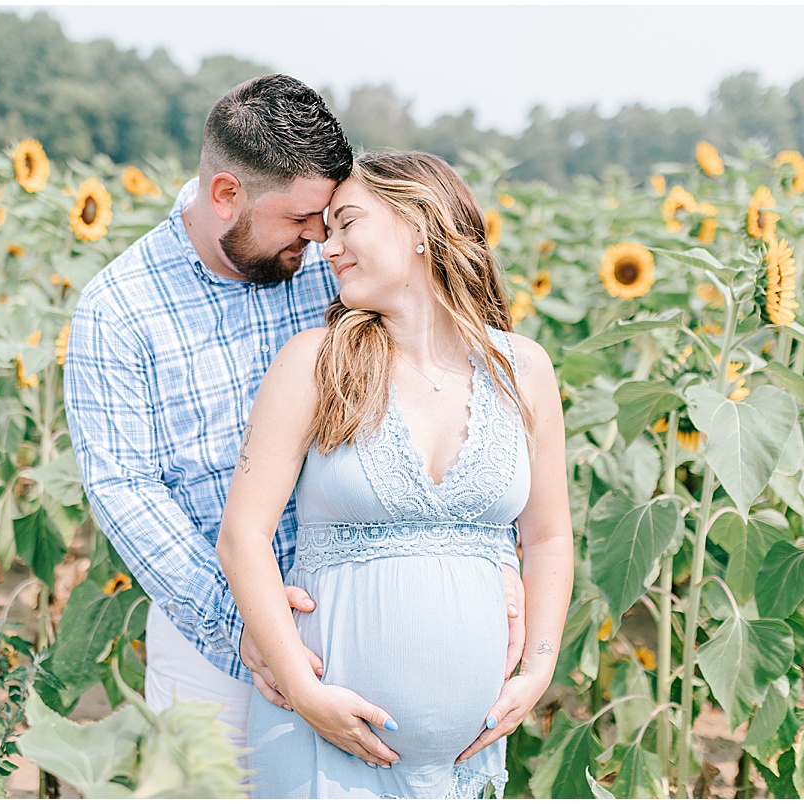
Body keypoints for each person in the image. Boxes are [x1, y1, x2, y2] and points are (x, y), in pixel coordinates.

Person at [63, 74, 528, 755]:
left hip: (361, 625)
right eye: (299, 218)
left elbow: (445, 389)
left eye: (329, 217)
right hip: (215, 650)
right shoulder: (119, 309)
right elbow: (125, 492)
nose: (318, 238)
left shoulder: (333, 267)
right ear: (225, 195)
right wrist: (245, 624)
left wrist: (486, 555)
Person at [216, 151, 575, 798]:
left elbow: (548, 536)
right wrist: (303, 690)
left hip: (464, 764)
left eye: (347, 223)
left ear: (418, 224)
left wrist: (537, 672)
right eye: (326, 230)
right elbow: (244, 535)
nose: (330, 248)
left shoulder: (523, 369)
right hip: (319, 741)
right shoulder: (313, 363)